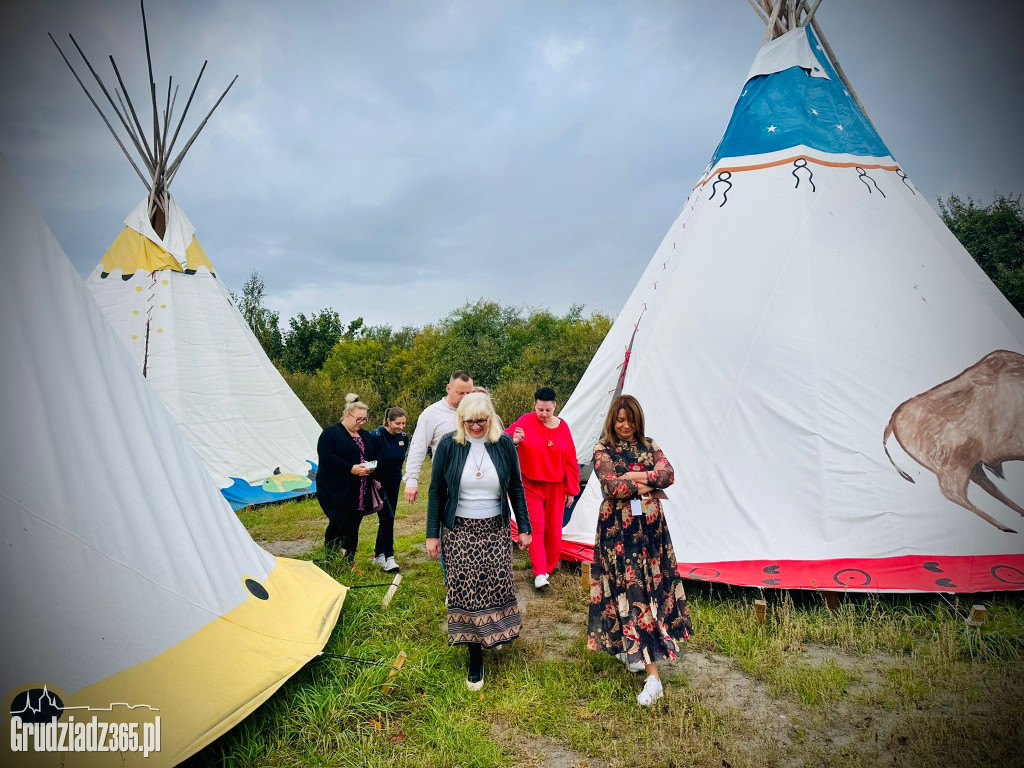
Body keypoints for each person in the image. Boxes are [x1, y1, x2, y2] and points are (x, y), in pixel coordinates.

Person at [586, 394, 693, 707]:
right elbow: (610, 487)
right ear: (611, 420)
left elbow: (668, 475)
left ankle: (651, 672)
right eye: (619, 420)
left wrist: (632, 476)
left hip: (649, 531)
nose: (624, 426)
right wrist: (647, 481)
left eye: (630, 420)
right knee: (624, 589)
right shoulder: (601, 448)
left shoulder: (649, 444)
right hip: (616, 530)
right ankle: (641, 660)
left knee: (644, 592)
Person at [426, 392, 532, 690]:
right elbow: (436, 491)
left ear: (491, 419)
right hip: (458, 529)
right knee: (466, 590)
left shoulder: (504, 444)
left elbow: (516, 487)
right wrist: (432, 535)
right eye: (470, 421)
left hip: (495, 528)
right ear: (461, 421)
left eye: (481, 421)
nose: (476, 427)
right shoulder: (449, 444)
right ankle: (475, 657)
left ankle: (493, 635)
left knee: (496, 584)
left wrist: (524, 527)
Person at [506, 386, 580, 590]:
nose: (544, 414)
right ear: (535, 406)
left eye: (548, 410)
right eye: (540, 410)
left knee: (554, 529)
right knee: (536, 528)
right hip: (530, 485)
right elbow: (504, 437)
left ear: (555, 406)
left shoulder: (563, 427)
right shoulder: (525, 421)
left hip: (556, 486)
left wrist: (571, 489)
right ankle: (539, 572)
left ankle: (549, 567)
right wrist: (514, 441)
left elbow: (570, 459)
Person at [316, 394, 392, 563]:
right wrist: (351, 468)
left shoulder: (365, 435)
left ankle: (349, 561)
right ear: (347, 415)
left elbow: (376, 454)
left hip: (359, 490)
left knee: (353, 526)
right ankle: (331, 558)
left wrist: (371, 466)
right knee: (337, 521)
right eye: (359, 419)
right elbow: (327, 457)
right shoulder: (330, 433)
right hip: (334, 489)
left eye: (364, 419)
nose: (362, 423)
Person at [403, 370, 474, 504]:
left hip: (476, 482)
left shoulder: (477, 412)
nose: (465, 397)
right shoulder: (431, 414)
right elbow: (418, 446)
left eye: (469, 393)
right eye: (460, 393)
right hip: (446, 482)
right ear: (448, 388)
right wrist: (412, 480)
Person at [368, 407, 409, 572]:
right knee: (388, 517)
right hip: (377, 483)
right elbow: (368, 460)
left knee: (387, 519)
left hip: (394, 482)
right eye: (397, 423)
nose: (401, 427)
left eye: (404, 423)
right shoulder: (375, 436)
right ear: (388, 421)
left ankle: (378, 555)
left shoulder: (404, 438)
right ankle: (389, 557)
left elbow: (400, 459)